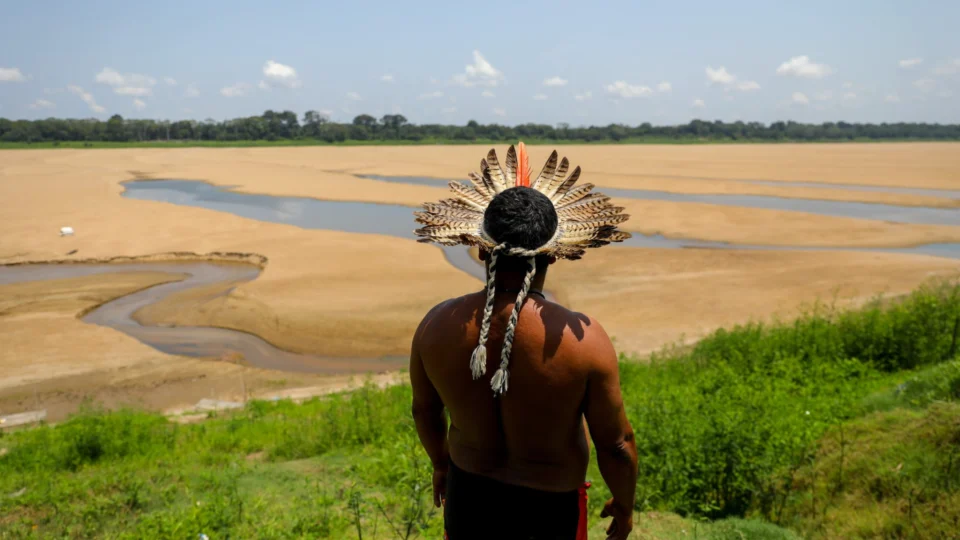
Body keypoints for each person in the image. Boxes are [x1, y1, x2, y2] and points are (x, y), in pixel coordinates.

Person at [410, 143, 638, 540]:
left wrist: (441, 466)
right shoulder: (585, 341)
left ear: (480, 250)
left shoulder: (436, 325)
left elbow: (425, 412)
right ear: (556, 254)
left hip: (469, 496)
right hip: (547, 510)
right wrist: (624, 505)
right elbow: (616, 445)